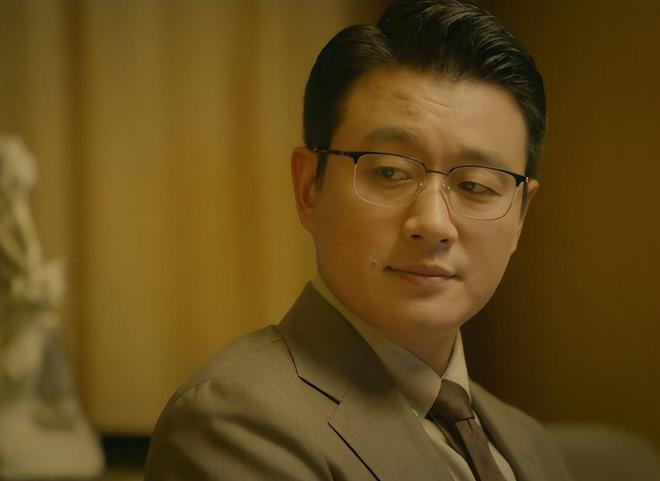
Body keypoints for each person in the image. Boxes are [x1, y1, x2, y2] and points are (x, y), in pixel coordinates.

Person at [144, 1, 574, 480]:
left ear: (520, 215)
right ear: (309, 187)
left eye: (475, 185)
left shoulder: (530, 444)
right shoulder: (233, 424)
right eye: (389, 172)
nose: (433, 224)